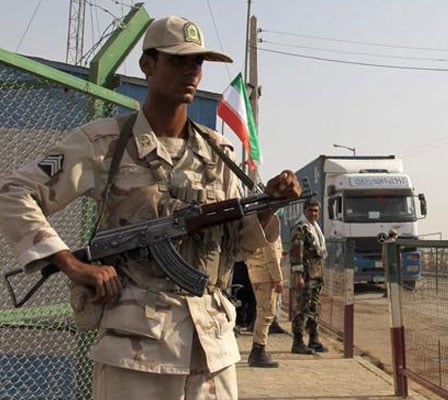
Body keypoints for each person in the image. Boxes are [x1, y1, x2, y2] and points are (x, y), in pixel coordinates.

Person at [0, 15, 301, 399]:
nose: (191, 71)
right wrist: (73, 265)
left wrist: (269, 206)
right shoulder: (104, 143)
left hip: (211, 350)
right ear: (148, 65)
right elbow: (14, 192)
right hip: (135, 352)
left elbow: (236, 247)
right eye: (178, 60)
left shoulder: (217, 152)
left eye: (198, 62)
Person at [289, 198, 328, 354]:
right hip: (305, 275)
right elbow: (296, 254)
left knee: (314, 307)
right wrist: (298, 275)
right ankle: (297, 342)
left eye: (316, 210)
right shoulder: (300, 228)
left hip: (316, 276)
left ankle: (313, 338)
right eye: (311, 210)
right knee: (302, 308)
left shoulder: (315, 228)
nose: (313, 213)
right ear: (304, 211)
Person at [245, 237, 284, 367]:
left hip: (258, 271)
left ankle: (258, 350)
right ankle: (258, 351)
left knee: (263, 312)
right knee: (266, 313)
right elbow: (271, 254)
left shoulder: (260, 224)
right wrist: (278, 278)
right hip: (266, 274)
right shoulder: (270, 225)